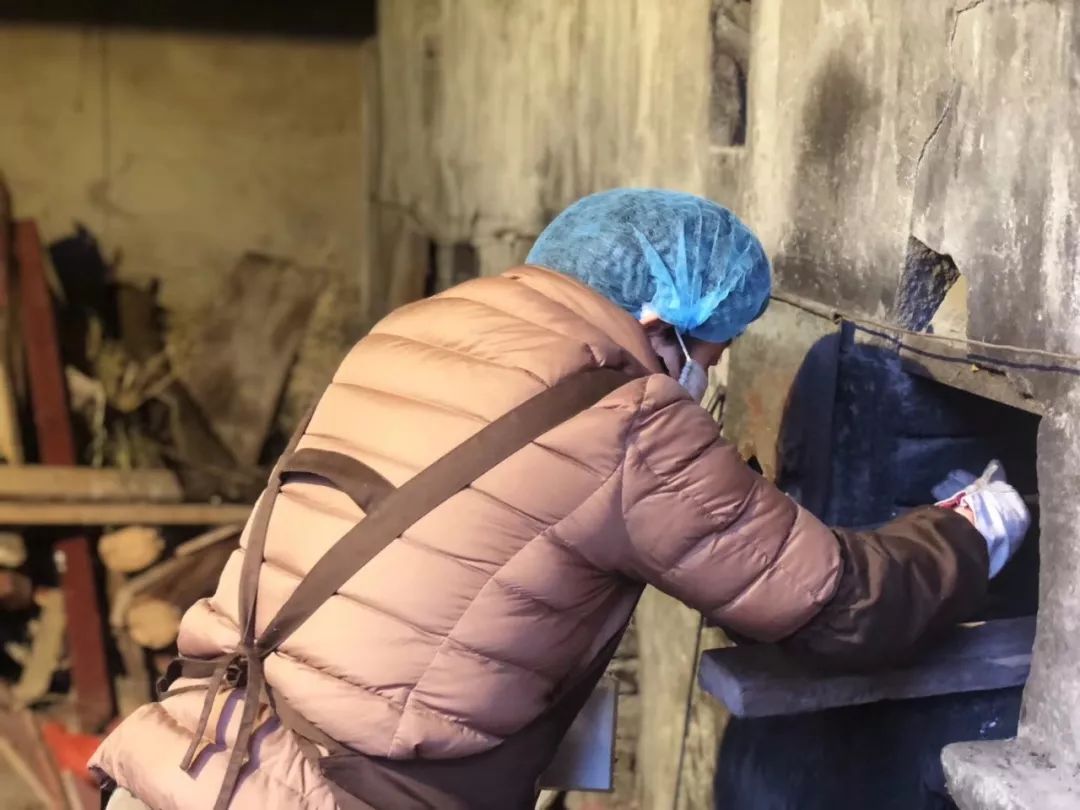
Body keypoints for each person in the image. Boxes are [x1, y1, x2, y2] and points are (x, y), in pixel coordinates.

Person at [91, 189, 1029, 810]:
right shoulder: (620, 417)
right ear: (658, 325)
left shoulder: (417, 328)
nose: (708, 380)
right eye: (708, 356)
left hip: (185, 753)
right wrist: (974, 531)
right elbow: (841, 606)